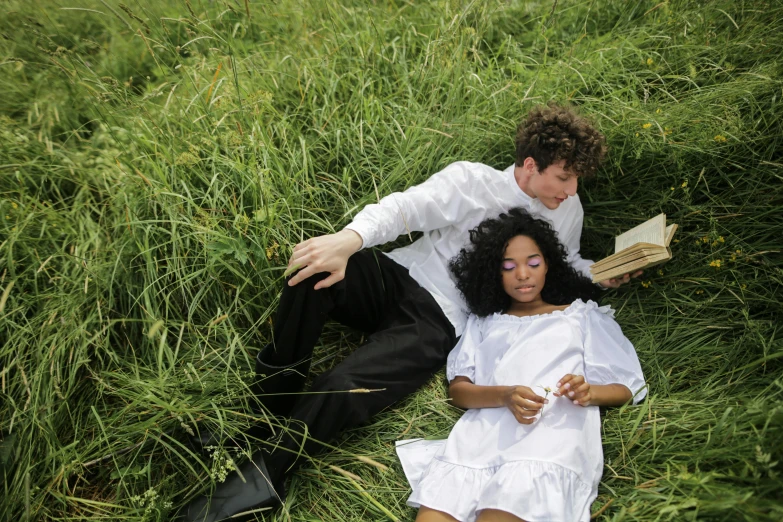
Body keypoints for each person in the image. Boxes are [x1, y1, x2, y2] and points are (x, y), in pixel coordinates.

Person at [182, 104, 639, 521]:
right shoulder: (472, 181)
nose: (572, 189)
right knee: (312, 271)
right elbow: (405, 210)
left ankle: (265, 474)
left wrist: (601, 274)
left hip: (440, 320)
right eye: (563, 177)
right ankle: (264, 408)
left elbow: (564, 258)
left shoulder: (567, 209)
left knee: (345, 385)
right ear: (530, 165)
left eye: (577, 179)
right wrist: (347, 240)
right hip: (399, 275)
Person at [399, 208, 646, 522]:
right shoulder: (484, 324)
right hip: (479, 440)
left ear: (548, 265)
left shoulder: (580, 316)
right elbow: (459, 391)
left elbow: (628, 386)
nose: (523, 275)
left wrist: (590, 392)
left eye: (533, 263)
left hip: (548, 440)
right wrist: (504, 396)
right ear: (493, 273)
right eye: (508, 266)